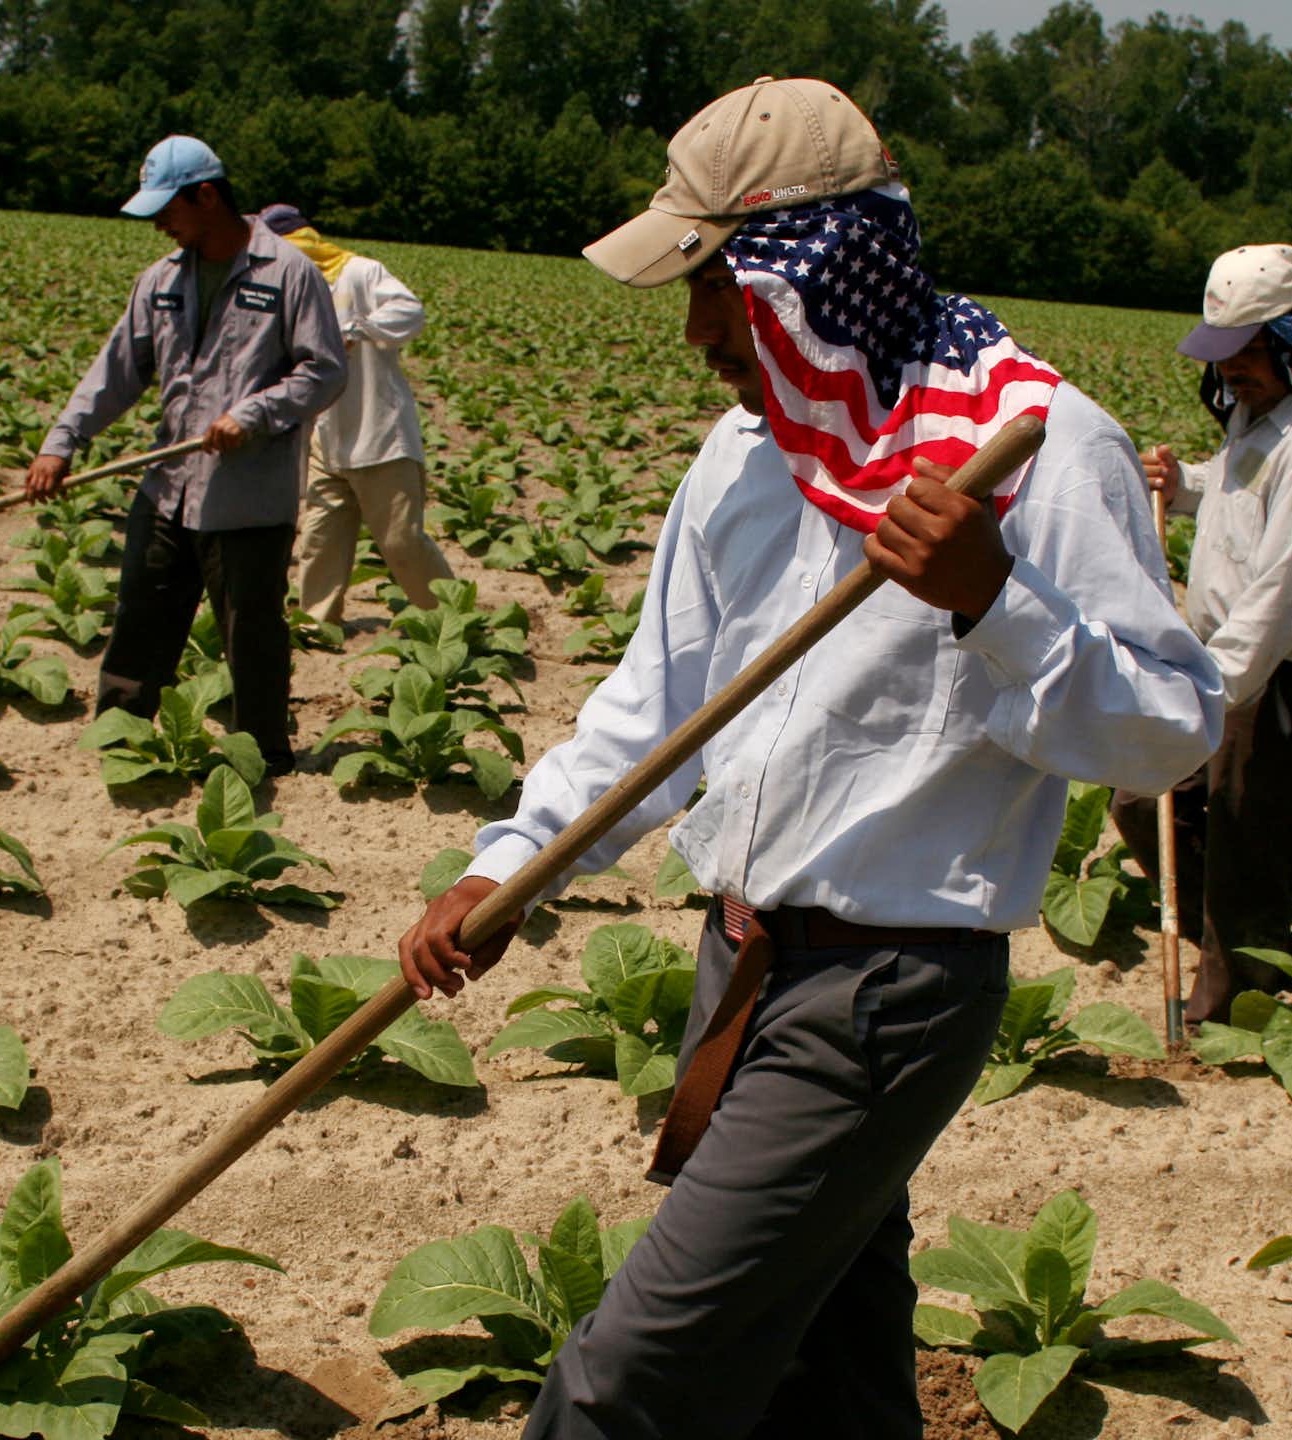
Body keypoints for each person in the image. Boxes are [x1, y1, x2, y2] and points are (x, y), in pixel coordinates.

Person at [396, 77, 1224, 1440]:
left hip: (888, 997)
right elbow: (651, 712)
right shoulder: (744, 456)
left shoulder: (1036, 447)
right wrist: (507, 869)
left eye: (715, 283)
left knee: (632, 1379)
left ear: (812, 277)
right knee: (823, 1373)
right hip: (747, 958)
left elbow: (1172, 731)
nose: (697, 328)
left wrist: (991, 599)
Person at [1111, 244, 1292, 1024]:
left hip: (1279, 676)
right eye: (1221, 353)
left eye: (1248, 351)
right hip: (1223, 659)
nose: (1232, 369)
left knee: (1245, 836)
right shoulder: (1260, 409)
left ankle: (1230, 1008)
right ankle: (1252, 940)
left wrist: (1200, 692)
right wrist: (1188, 484)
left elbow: (1285, 596)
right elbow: (1243, 500)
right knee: (1140, 802)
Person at [24, 137, 345, 776]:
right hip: (169, 484)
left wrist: (253, 414)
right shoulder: (161, 280)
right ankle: (117, 742)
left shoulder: (287, 273)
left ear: (206, 195)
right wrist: (62, 443)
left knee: (249, 632)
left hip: (249, 497)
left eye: (166, 210)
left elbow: (325, 371)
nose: (159, 226)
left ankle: (263, 756)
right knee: (141, 613)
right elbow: (116, 372)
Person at [259, 202, 457, 624]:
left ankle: (452, 618)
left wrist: (355, 329)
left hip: (379, 435)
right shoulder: (285, 290)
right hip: (326, 440)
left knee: (402, 542)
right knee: (318, 538)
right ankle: (318, 623)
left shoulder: (359, 272)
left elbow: (409, 312)